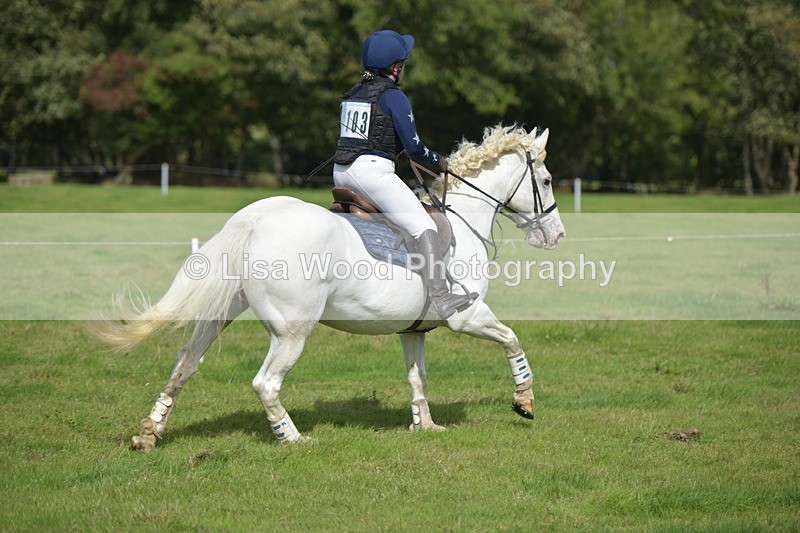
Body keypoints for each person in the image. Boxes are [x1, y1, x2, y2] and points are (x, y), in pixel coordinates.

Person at [333, 29, 475, 319]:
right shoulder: (394, 98)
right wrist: (439, 161)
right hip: (371, 174)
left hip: (341, 172)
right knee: (424, 226)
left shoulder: (352, 94)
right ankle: (442, 297)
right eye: (403, 63)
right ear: (395, 68)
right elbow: (413, 149)